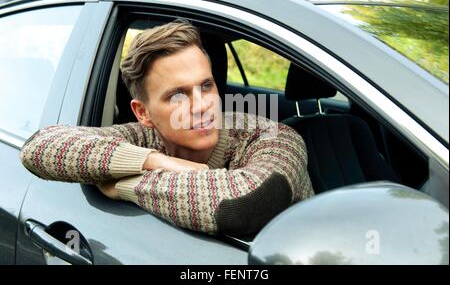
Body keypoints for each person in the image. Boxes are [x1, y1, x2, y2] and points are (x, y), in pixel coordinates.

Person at [20, 19, 314, 235]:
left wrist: (123, 185)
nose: (201, 106)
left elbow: (247, 204)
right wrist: (155, 160)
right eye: (177, 95)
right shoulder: (146, 137)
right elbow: (39, 146)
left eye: (206, 86)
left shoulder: (274, 138)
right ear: (143, 113)